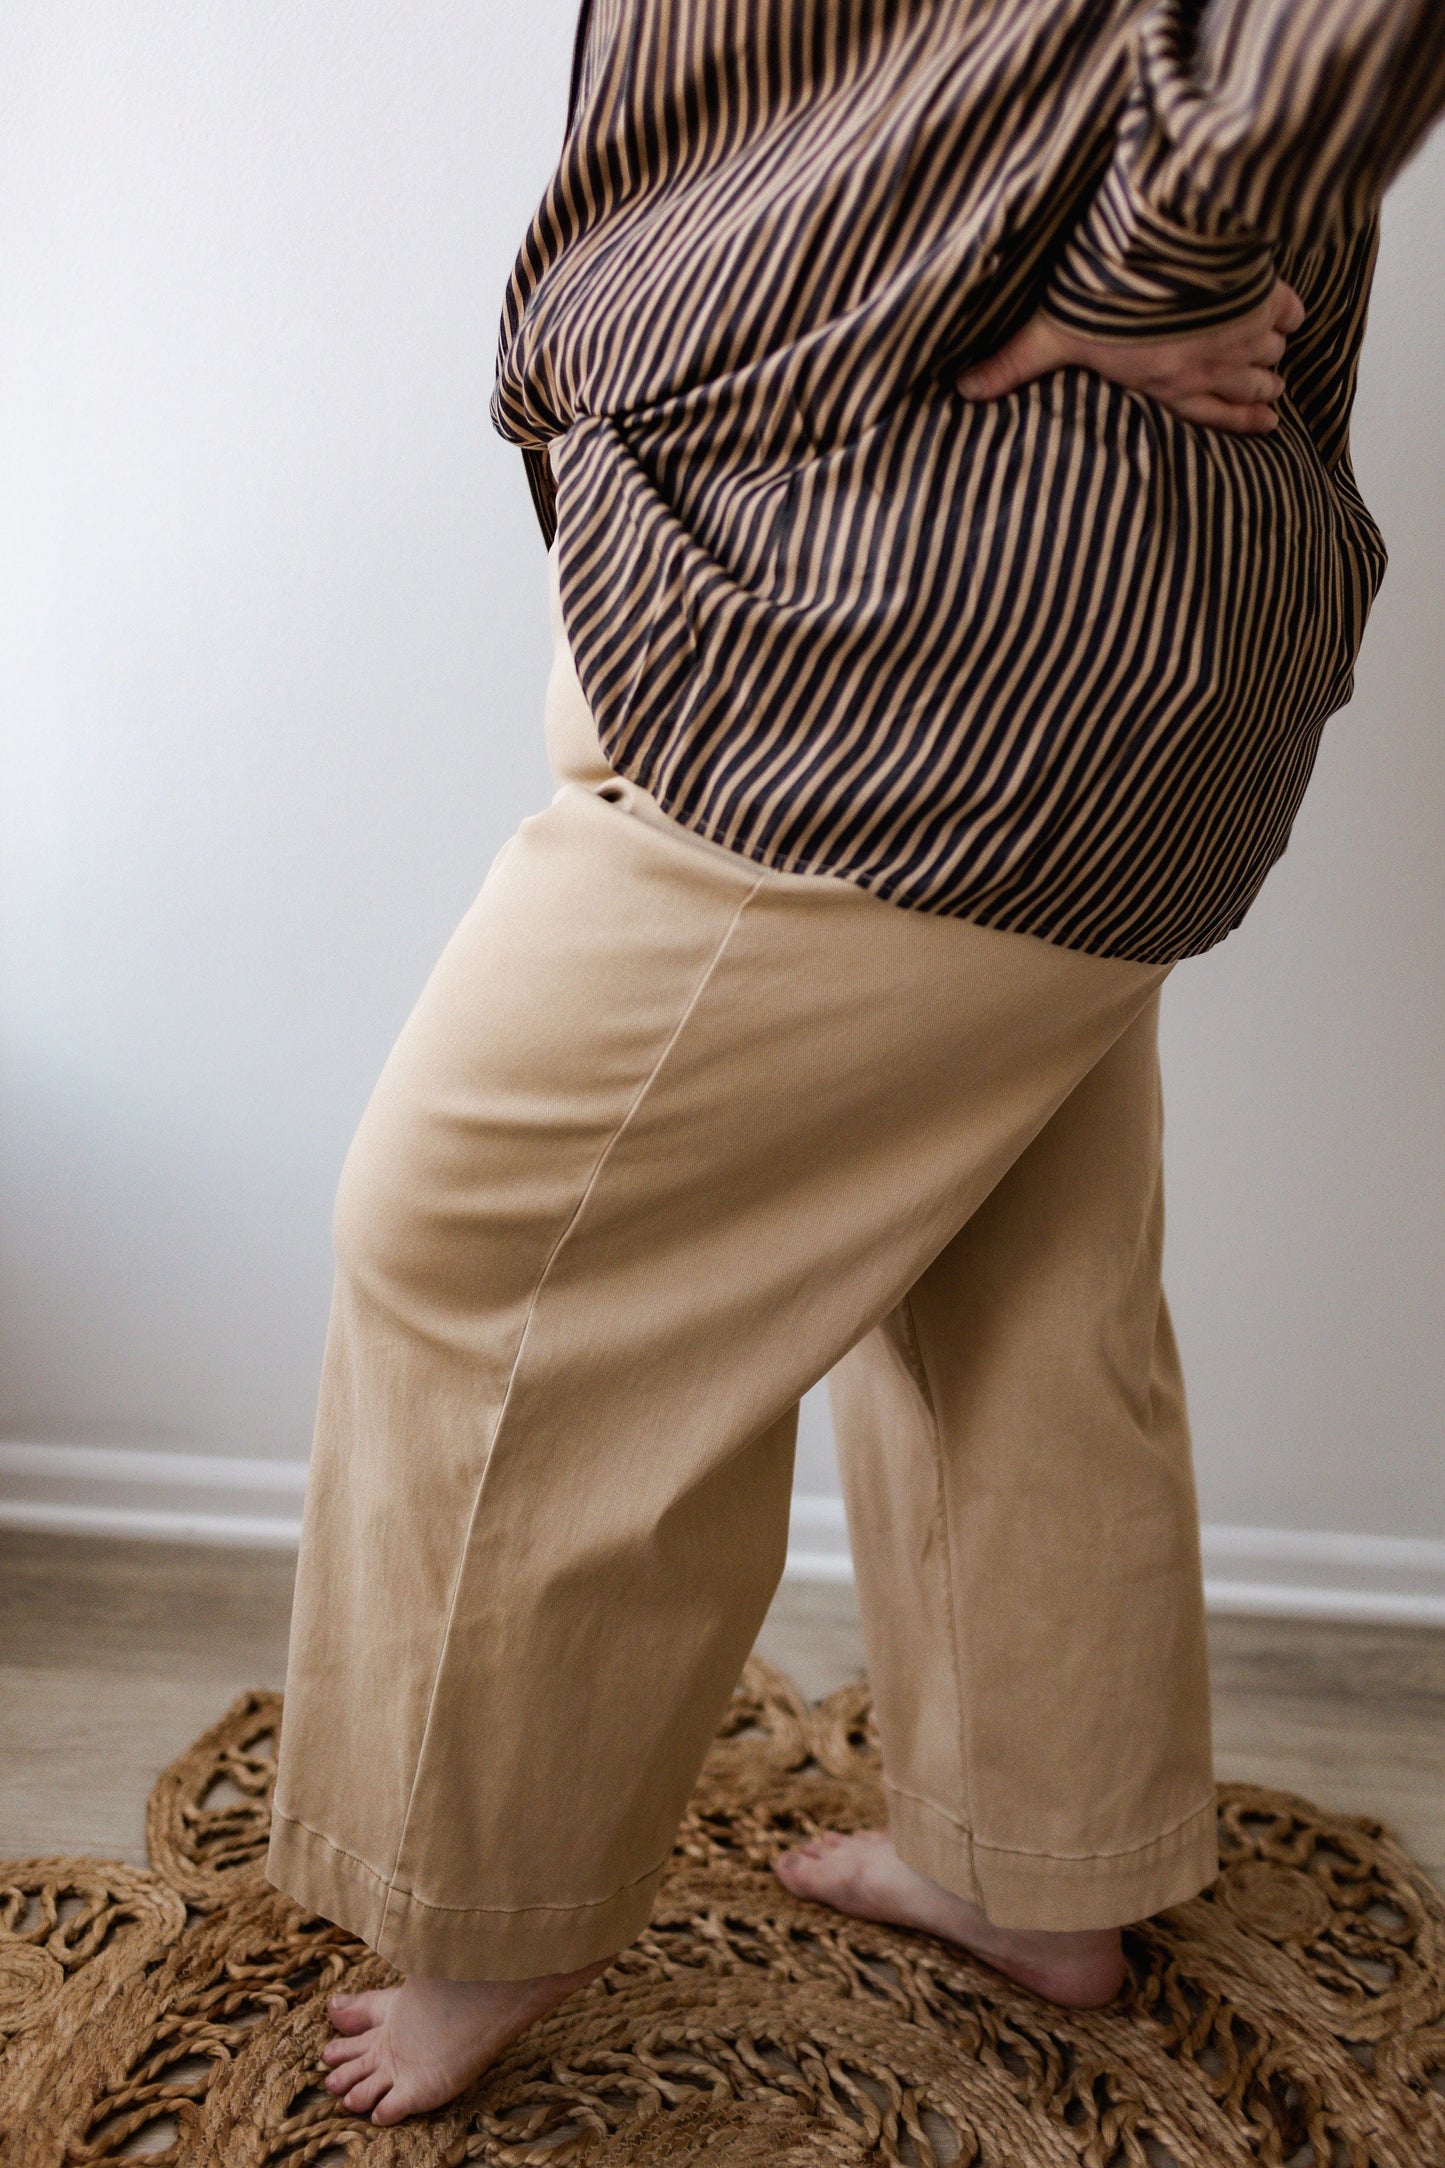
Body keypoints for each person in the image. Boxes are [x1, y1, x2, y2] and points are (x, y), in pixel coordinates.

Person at [265, 0, 1445, 2129]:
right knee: (1012, 1276)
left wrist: (1129, 277)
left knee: (475, 1238)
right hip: (998, 591)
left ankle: (491, 1900)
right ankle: (1039, 1862)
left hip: (919, 616)